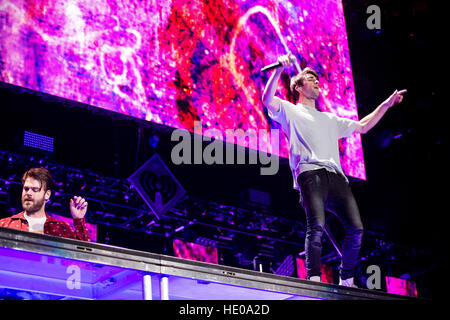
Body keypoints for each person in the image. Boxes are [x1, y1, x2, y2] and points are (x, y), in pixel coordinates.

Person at [262, 54, 406, 287]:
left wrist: (386, 105)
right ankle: (314, 278)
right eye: (310, 79)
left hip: (336, 177)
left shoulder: (329, 118)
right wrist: (278, 70)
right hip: (310, 172)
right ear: (298, 86)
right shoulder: (290, 110)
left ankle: (346, 278)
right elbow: (267, 99)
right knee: (316, 224)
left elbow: (363, 126)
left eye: (317, 79)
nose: (317, 82)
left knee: (356, 229)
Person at [0, 168, 91, 241]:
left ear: (47, 194)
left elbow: (85, 256)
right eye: (26, 189)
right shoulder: (5, 225)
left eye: (35, 189)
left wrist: (79, 220)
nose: (28, 193)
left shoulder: (60, 228)